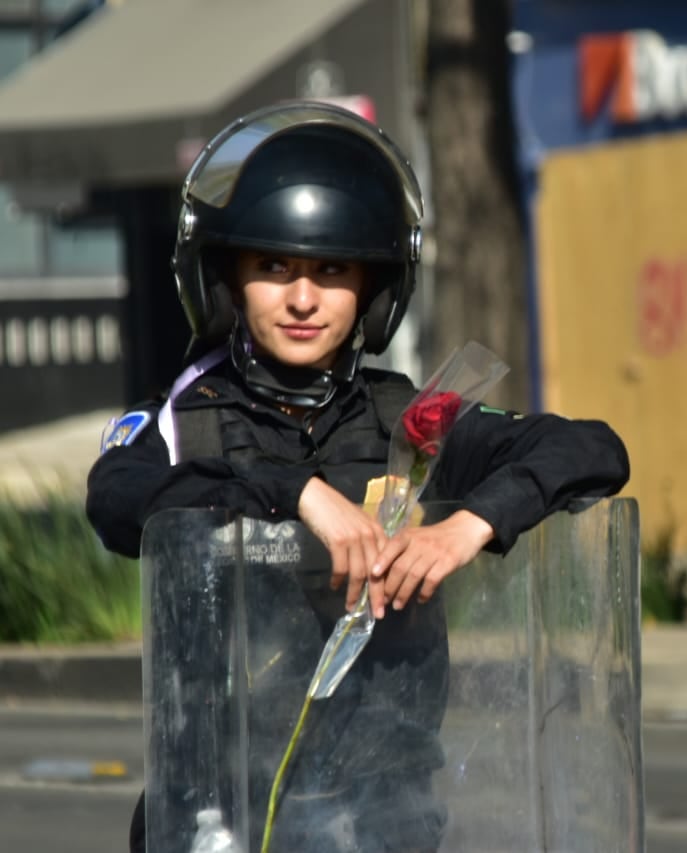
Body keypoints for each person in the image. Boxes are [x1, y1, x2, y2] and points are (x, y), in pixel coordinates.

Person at [85, 101, 630, 853]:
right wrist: (295, 493)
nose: (302, 298)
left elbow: (590, 447)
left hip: (382, 816)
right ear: (227, 278)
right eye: (273, 266)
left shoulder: (413, 422)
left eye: (330, 270)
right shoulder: (181, 417)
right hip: (218, 812)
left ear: (373, 289)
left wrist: (468, 526)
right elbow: (115, 495)